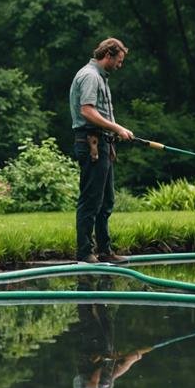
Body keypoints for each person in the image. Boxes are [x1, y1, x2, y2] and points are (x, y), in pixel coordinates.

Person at [70, 37, 134, 264]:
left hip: (103, 143)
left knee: (106, 200)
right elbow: (87, 111)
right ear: (108, 54)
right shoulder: (90, 76)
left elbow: (101, 114)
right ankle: (85, 253)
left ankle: (105, 251)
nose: (120, 65)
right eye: (119, 60)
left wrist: (114, 134)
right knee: (91, 200)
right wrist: (117, 127)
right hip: (91, 144)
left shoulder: (101, 78)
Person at [72, 275, 150, 388]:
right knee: (104, 319)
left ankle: (84, 283)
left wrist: (104, 361)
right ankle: (104, 283)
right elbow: (111, 377)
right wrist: (130, 360)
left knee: (90, 320)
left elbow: (93, 382)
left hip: (93, 353)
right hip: (103, 352)